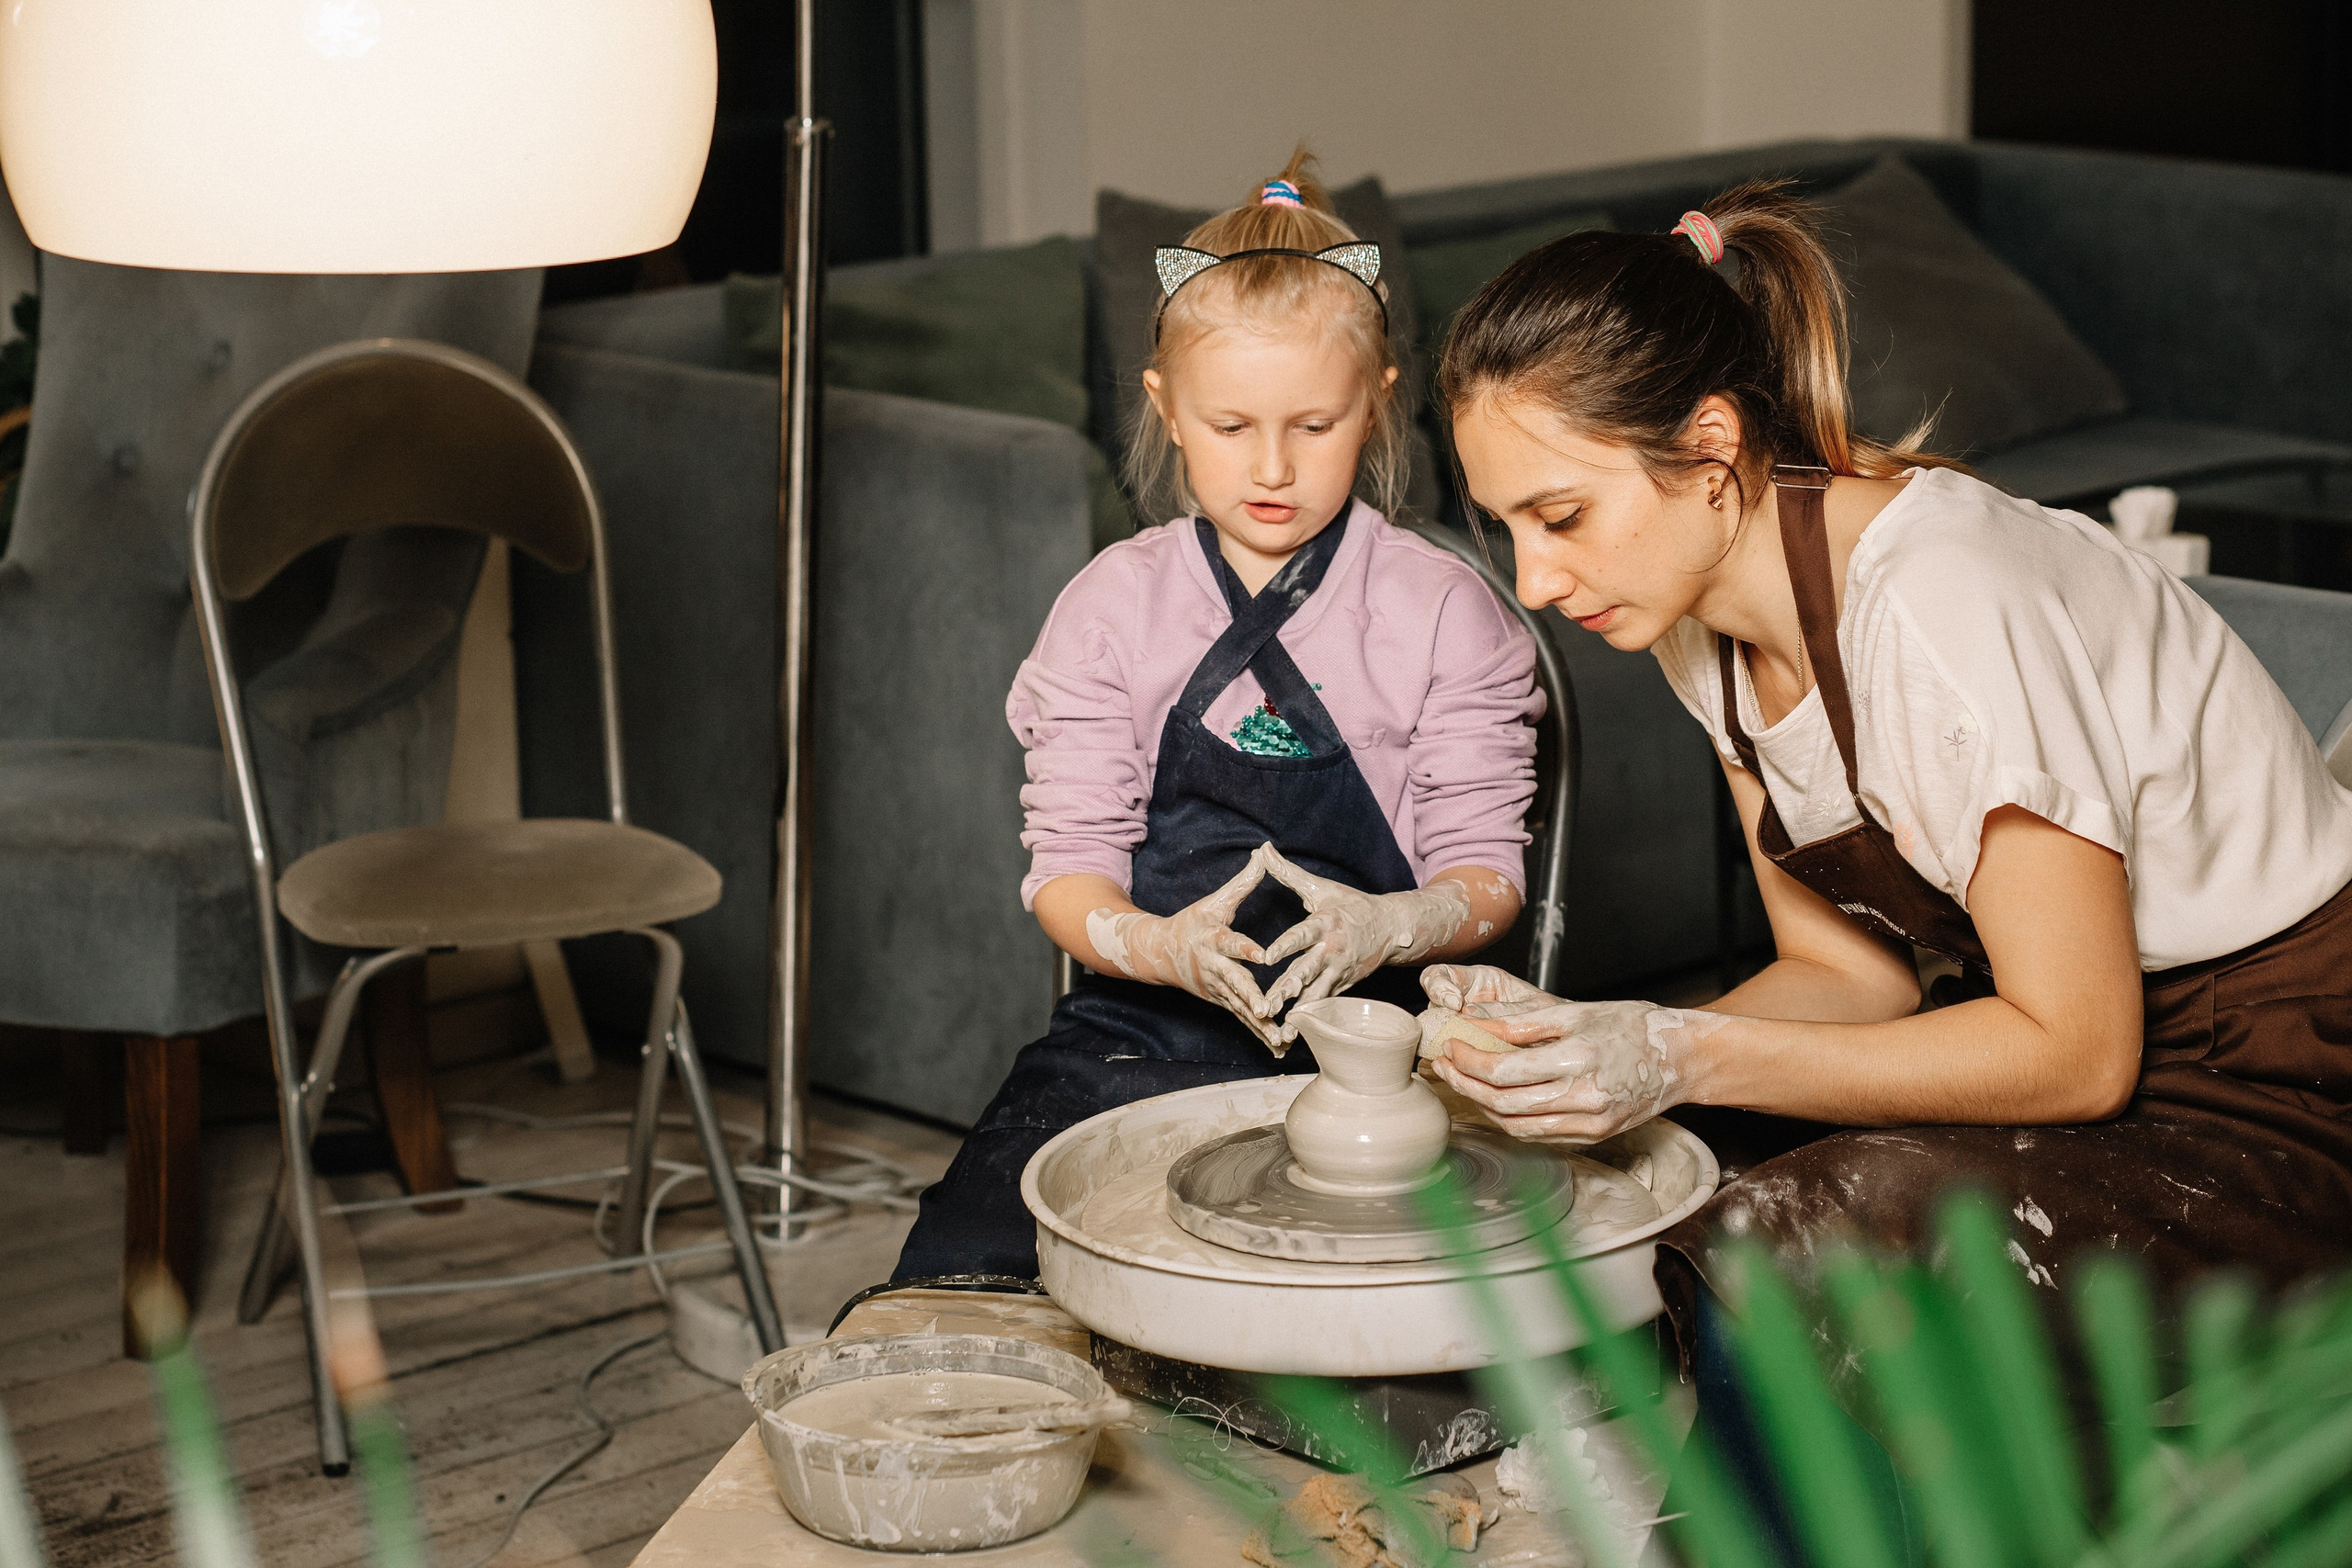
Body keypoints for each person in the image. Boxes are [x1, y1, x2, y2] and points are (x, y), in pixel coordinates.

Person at [1423, 183, 2352, 1324]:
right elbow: (1850, 978)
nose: (1532, 583)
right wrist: (1570, 1054)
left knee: (1789, 1247)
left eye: (1561, 516)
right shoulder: (1693, 617)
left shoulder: (1935, 598)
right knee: (1622, 1172)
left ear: (1709, 449)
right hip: (2055, 1025)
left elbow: (2078, 1052)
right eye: (1506, 526)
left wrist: (1678, 1052)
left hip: (2279, 1074)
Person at [893, 152, 1543, 1280]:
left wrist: (1395, 925)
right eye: (1231, 425)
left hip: (1390, 1038)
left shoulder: (1444, 614)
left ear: (1377, 402)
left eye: (1314, 424)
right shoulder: (1111, 609)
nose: (1272, 467)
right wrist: (1154, 944)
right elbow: (1069, 872)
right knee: (969, 1269)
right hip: (1138, 1031)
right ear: (1166, 409)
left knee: (1403, 1310)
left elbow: (1486, 875)